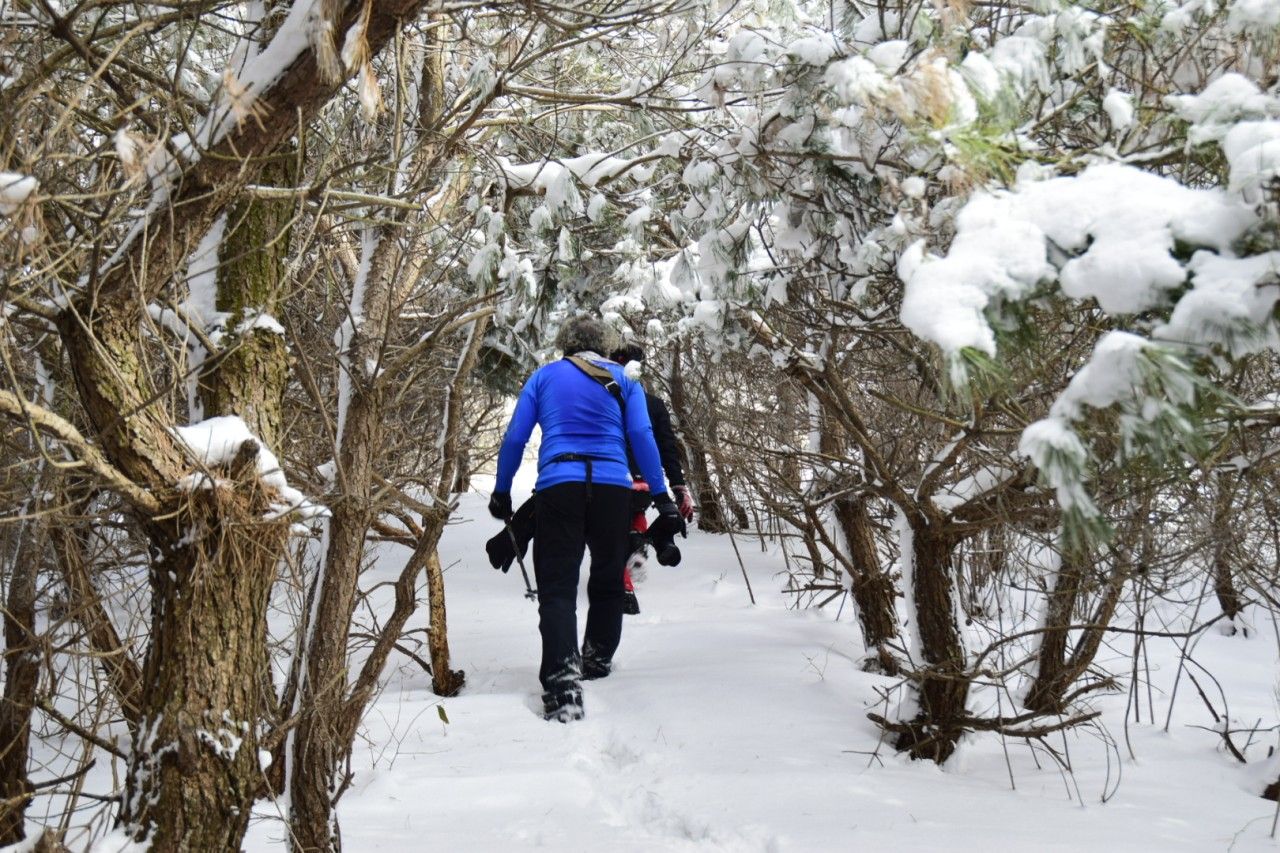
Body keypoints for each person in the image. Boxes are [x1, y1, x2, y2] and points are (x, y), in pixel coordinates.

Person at [489, 316, 685, 722]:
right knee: (609, 579)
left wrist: (502, 491)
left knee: (558, 587)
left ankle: (563, 686)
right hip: (614, 489)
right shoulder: (625, 381)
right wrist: (661, 494)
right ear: (606, 345)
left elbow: (515, 438)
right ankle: (596, 660)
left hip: (559, 485)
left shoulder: (544, 377)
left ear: (565, 344)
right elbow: (642, 437)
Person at [608, 343, 696, 614]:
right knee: (635, 514)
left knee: (609, 530)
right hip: (645, 483)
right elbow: (668, 449)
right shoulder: (655, 405)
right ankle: (643, 543)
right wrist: (679, 487)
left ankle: (624, 586)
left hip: (609, 479)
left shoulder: (603, 400)